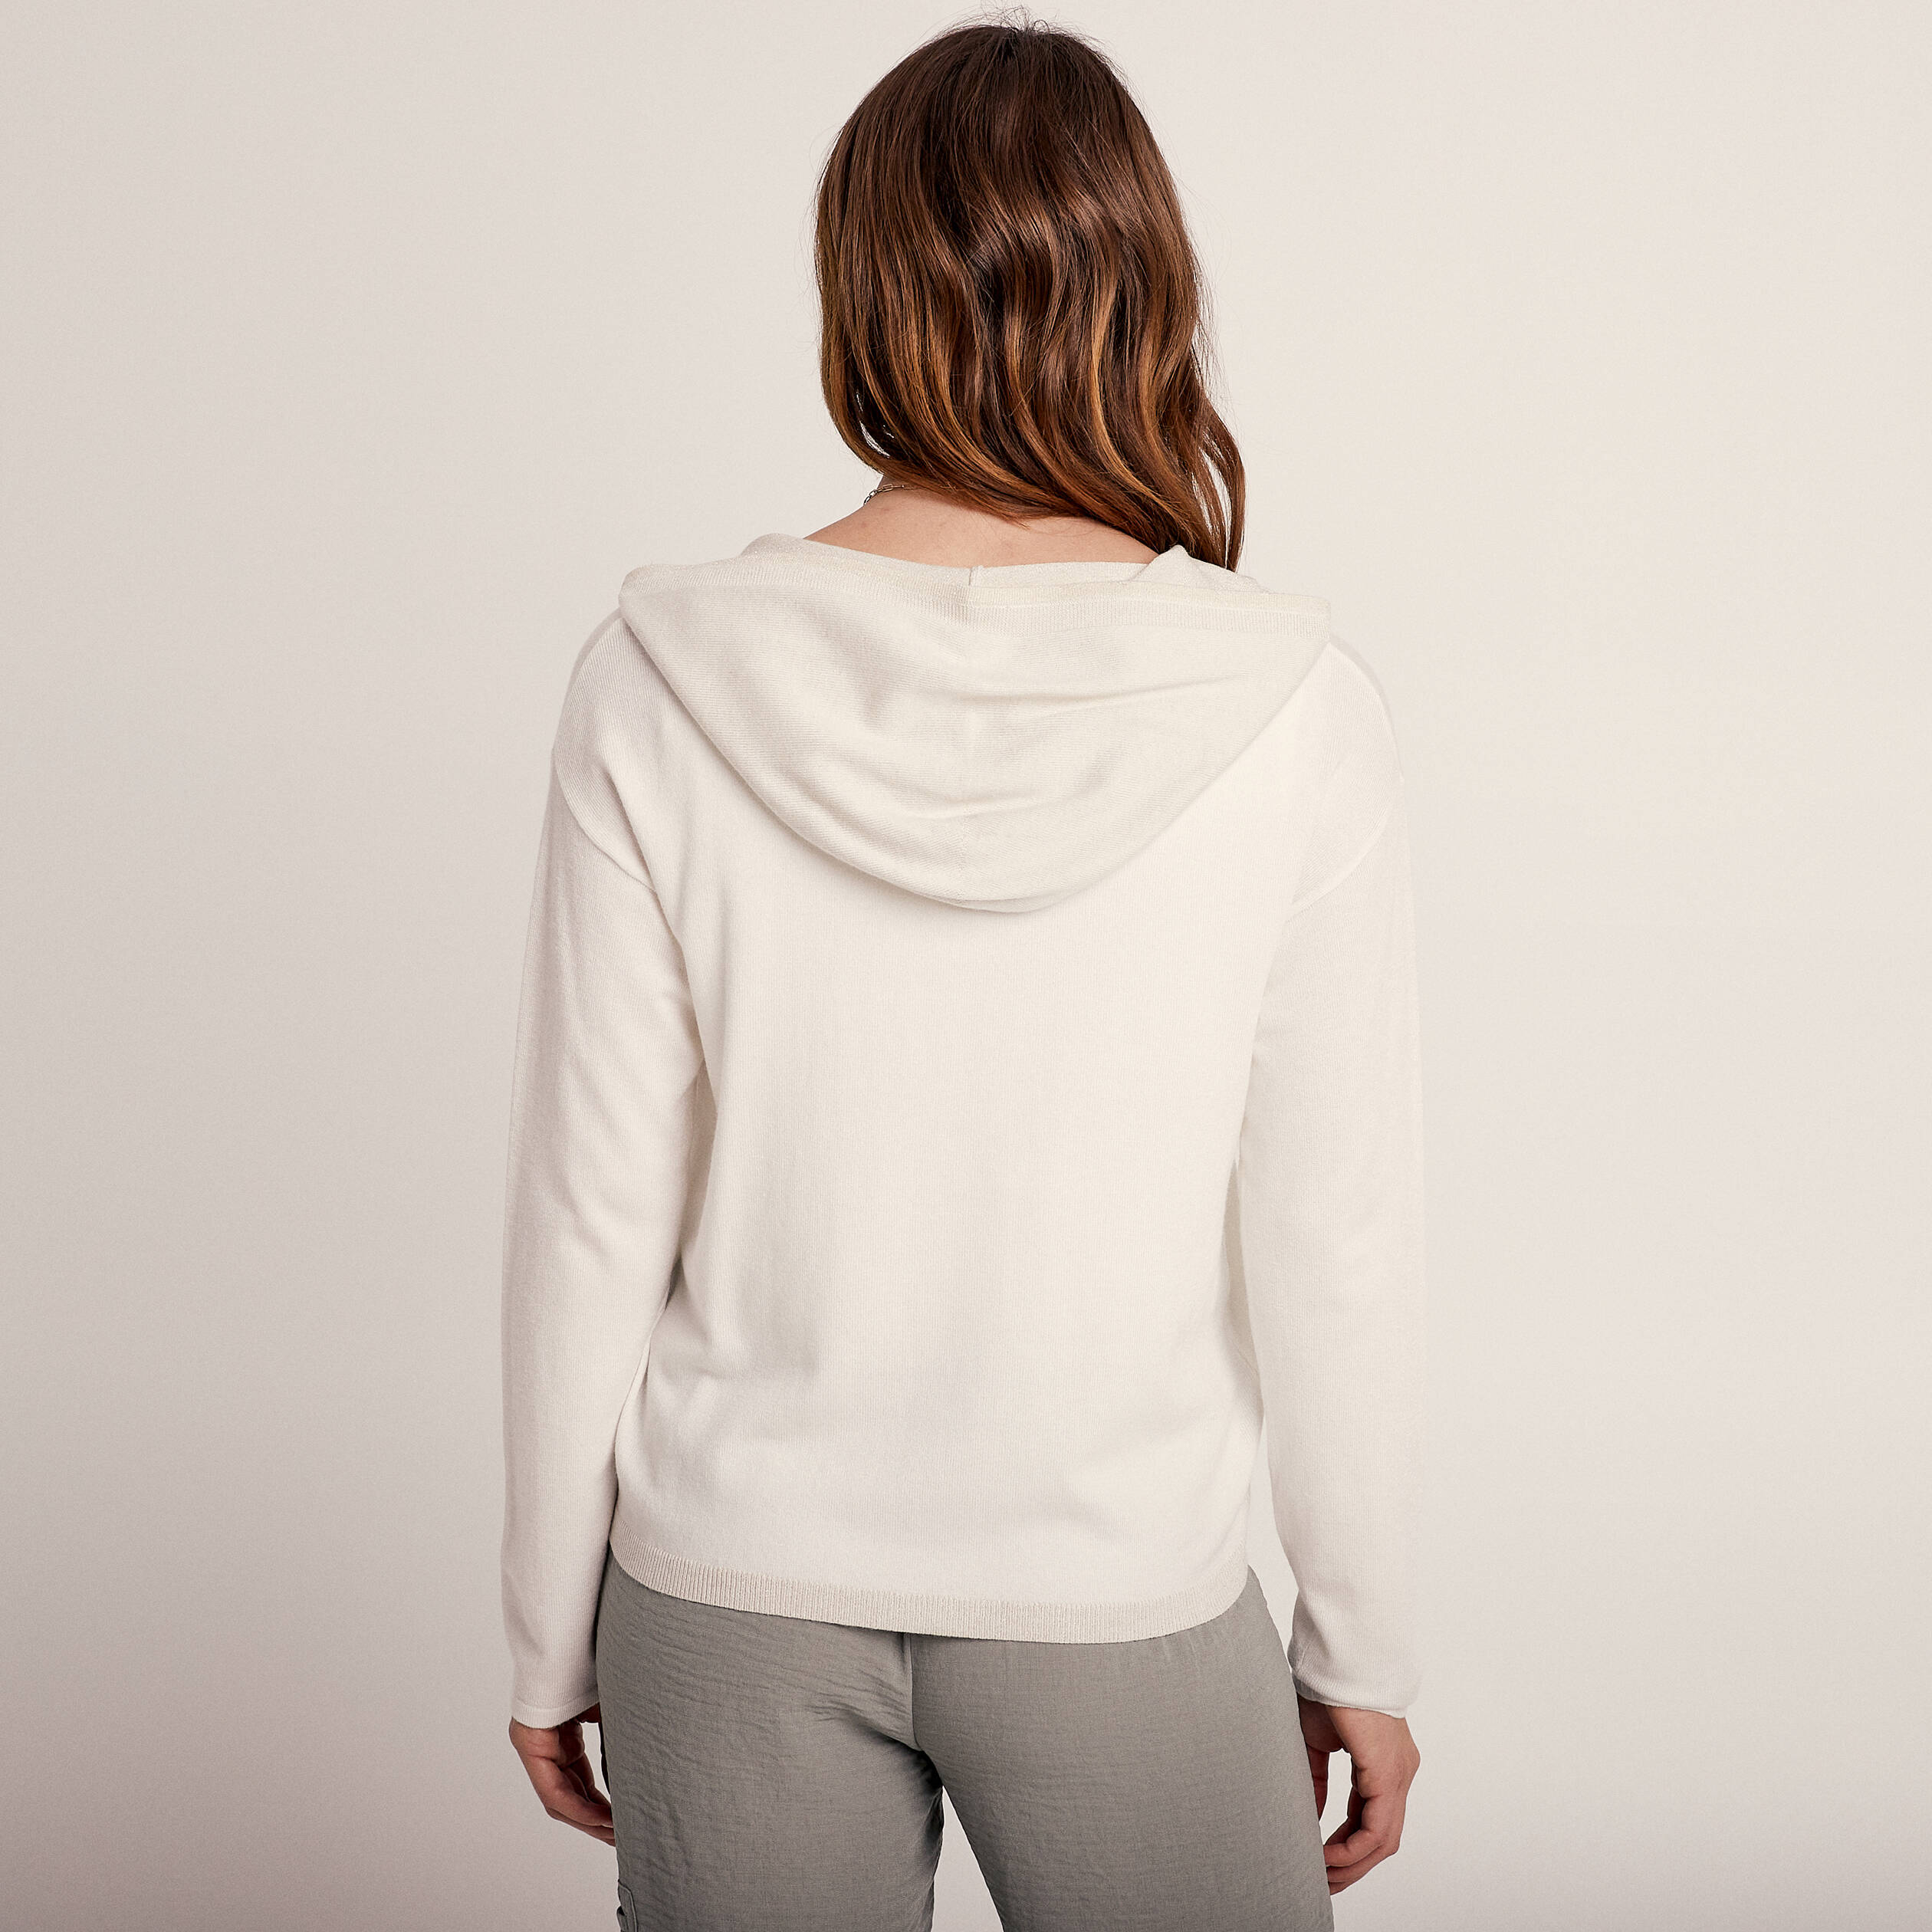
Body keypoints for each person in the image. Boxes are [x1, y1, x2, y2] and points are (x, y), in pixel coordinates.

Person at [499, 18, 1424, 1930]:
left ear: (859, 288)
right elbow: (1333, 1234)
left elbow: (593, 1205)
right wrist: (1365, 1635)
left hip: (730, 1591)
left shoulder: (659, 679)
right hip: (1121, 1589)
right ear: (1145, 287)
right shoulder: (1293, 707)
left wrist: (543, 1629)